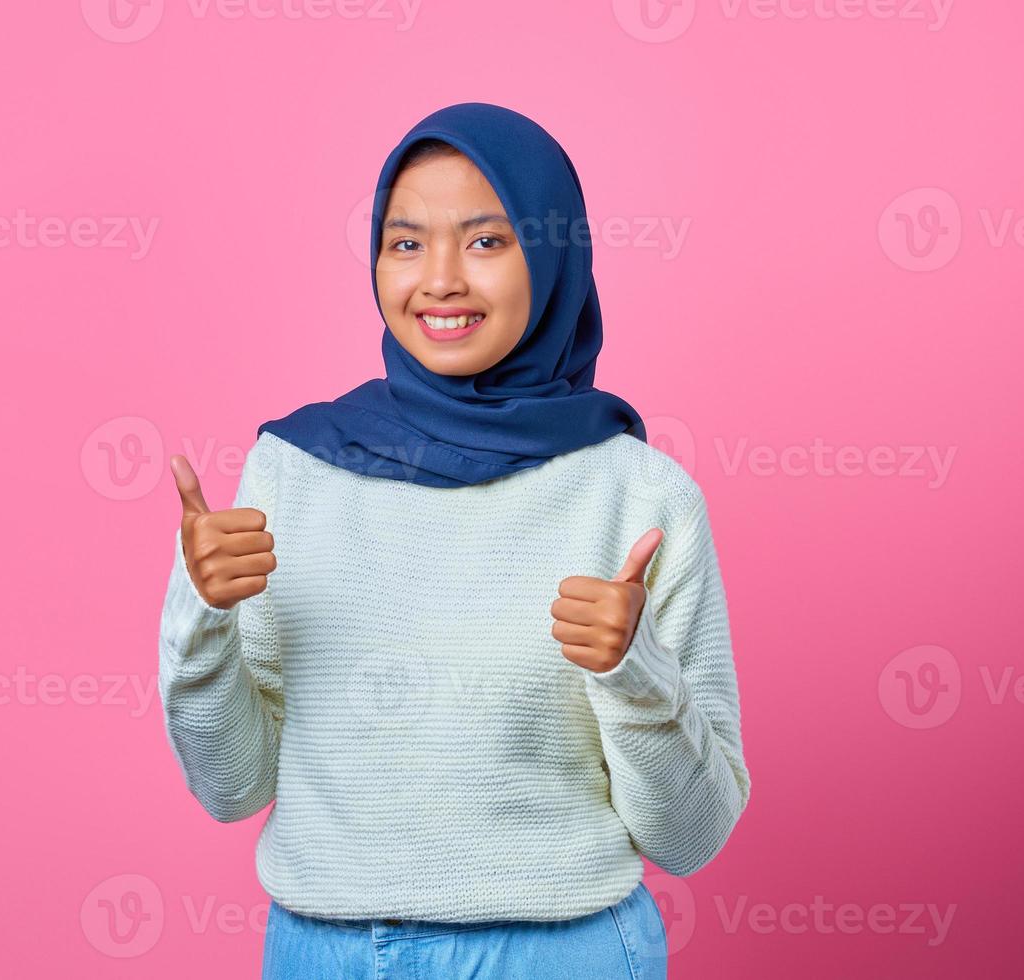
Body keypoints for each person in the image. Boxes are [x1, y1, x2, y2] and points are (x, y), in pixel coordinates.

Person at [158, 101, 750, 979]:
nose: (438, 280)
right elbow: (229, 789)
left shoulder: (639, 496)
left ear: (552, 259)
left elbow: (691, 838)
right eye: (405, 243)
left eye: (484, 242)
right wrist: (201, 613)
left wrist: (635, 670)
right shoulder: (292, 470)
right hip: (322, 955)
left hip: (559, 955)